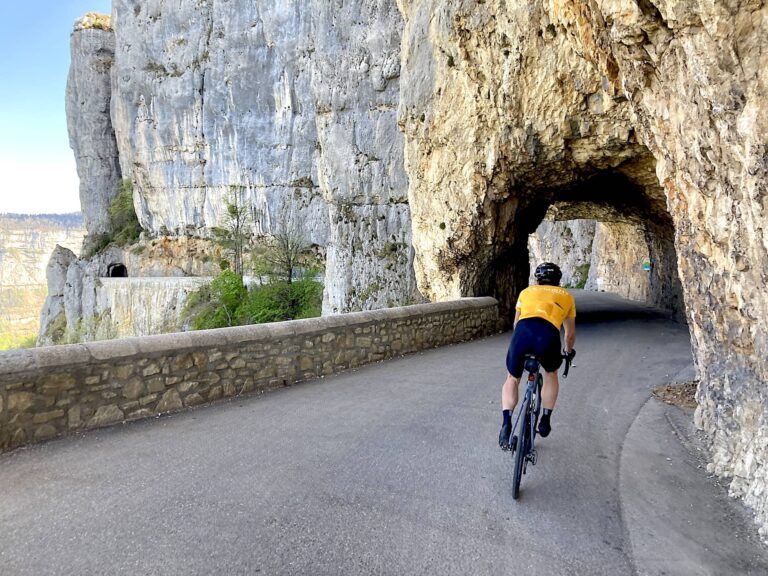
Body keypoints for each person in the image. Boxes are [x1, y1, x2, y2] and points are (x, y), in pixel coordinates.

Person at [499, 262, 576, 450]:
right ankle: (545, 419)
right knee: (551, 373)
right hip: (547, 337)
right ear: (558, 280)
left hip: (523, 334)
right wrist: (567, 350)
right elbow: (569, 334)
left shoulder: (526, 292)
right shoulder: (566, 297)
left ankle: (506, 423)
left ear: (537, 279)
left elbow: (516, 324)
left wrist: (518, 345)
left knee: (512, 378)